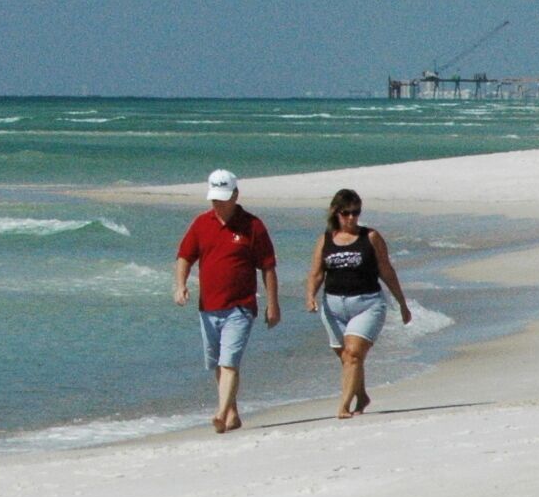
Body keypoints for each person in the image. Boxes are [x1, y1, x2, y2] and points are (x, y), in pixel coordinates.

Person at [174, 170, 280, 433]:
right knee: (219, 364)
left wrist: (272, 304)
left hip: (241, 307)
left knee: (229, 362)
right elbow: (185, 256)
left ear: (235, 195)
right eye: (214, 199)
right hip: (208, 307)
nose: (217, 204)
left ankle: (221, 413)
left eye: (222, 198)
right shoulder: (201, 223)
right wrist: (180, 286)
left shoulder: (253, 226)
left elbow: (267, 267)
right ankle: (232, 414)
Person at [303, 189, 412, 418]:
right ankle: (362, 395)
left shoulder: (370, 237)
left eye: (356, 212)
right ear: (336, 212)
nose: (352, 218)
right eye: (346, 213)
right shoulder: (325, 240)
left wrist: (402, 302)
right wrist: (310, 296)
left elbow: (386, 270)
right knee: (347, 358)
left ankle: (344, 404)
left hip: (367, 304)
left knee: (353, 354)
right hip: (333, 307)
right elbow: (316, 273)